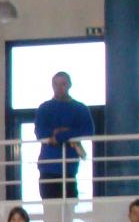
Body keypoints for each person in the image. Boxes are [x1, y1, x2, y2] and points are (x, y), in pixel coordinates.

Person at [34, 71, 94, 201]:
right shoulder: (44, 108)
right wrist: (66, 134)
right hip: (48, 167)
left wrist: (60, 135)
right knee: (50, 208)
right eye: (56, 84)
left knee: (69, 207)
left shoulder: (80, 108)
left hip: (69, 167)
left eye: (63, 84)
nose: (59, 88)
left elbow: (88, 131)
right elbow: (39, 133)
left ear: (69, 85)